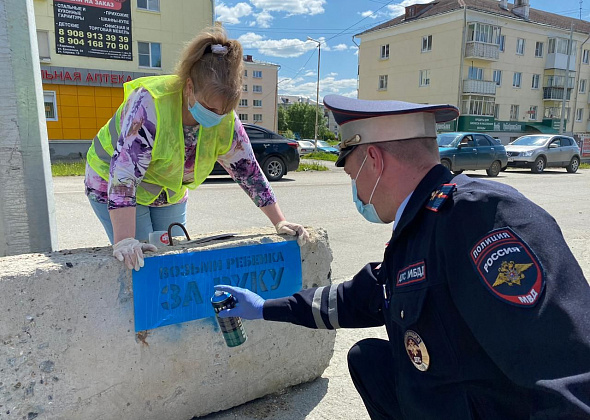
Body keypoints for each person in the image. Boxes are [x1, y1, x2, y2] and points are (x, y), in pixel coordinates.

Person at [214, 95, 590, 419]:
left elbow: (567, 376)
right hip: (448, 393)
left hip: (485, 405)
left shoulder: (481, 218)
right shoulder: (424, 218)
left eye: (350, 175)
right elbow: (360, 297)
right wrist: (265, 307)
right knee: (369, 361)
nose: (356, 191)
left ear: (373, 160)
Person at [84, 26, 308, 271]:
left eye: (224, 111)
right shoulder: (150, 104)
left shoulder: (225, 119)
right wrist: (125, 240)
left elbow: (249, 173)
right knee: (142, 265)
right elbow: (124, 176)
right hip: (113, 181)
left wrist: (280, 221)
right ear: (189, 88)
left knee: (173, 258)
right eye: (210, 109)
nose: (217, 117)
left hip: (167, 189)